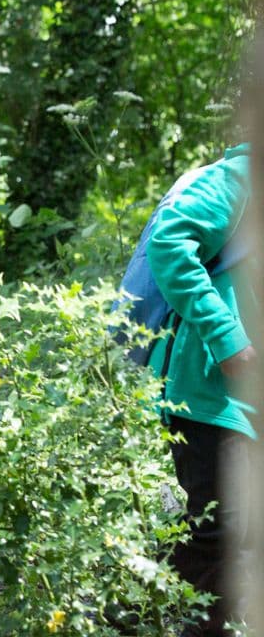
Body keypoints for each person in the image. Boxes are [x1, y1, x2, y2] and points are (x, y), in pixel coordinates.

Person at [146, 142, 258, 636]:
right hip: (214, 389)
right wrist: (227, 337)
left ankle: (142, 603)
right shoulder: (238, 177)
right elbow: (169, 243)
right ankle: (143, 613)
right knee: (220, 526)